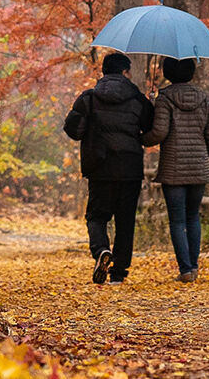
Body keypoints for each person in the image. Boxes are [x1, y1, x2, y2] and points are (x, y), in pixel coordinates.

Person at [64, 52, 154, 285]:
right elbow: (150, 127)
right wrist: (150, 102)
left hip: (100, 166)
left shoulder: (89, 99)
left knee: (96, 216)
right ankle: (119, 273)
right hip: (130, 167)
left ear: (104, 72)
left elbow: (73, 130)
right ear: (125, 72)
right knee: (125, 221)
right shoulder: (137, 100)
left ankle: (101, 250)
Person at [142, 56, 209, 282]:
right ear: (191, 72)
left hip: (174, 168)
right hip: (198, 167)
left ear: (167, 72)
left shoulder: (165, 98)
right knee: (193, 216)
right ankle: (193, 267)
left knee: (177, 220)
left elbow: (159, 133)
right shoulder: (204, 97)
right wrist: (203, 154)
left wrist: (142, 139)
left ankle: (184, 270)